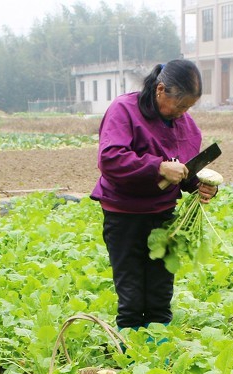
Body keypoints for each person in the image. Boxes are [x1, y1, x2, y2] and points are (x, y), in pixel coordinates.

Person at [91, 60, 218, 331]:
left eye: (189, 107)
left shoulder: (186, 125)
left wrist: (201, 185)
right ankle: (130, 347)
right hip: (124, 215)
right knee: (131, 293)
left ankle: (158, 347)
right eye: (180, 105)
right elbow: (110, 158)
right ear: (161, 90)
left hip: (163, 216)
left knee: (160, 292)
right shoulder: (124, 110)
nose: (183, 113)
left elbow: (185, 170)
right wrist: (158, 167)